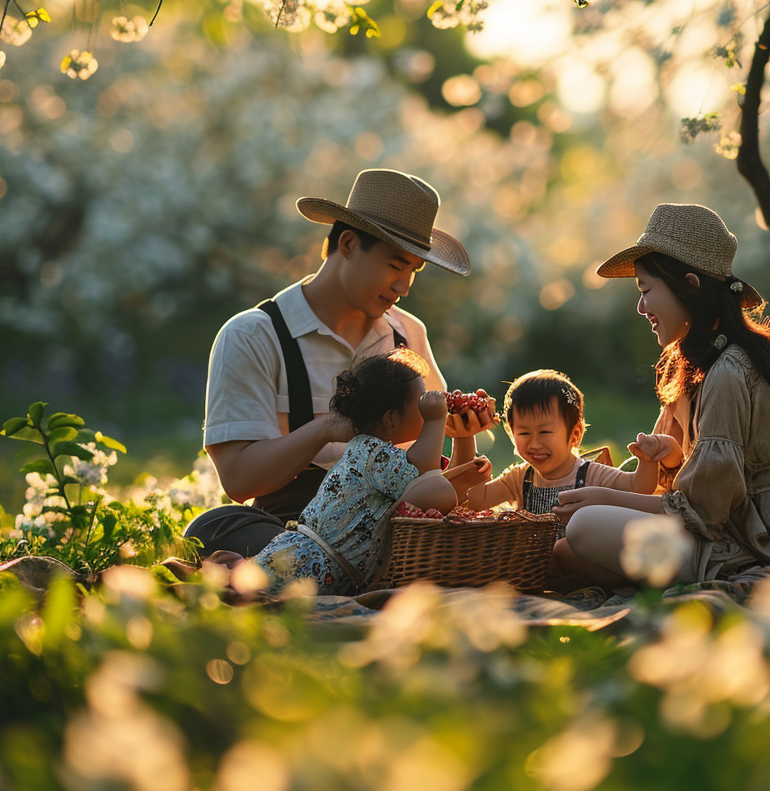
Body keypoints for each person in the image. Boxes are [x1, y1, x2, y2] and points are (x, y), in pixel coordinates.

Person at [186, 169, 495, 557]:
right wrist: (328, 429)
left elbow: (427, 473)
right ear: (347, 243)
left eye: (414, 271)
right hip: (292, 526)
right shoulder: (254, 335)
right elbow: (239, 479)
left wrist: (462, 430)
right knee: (214, 527)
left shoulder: (407, 334)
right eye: (395, 265)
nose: (404, 286)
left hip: (389, 522)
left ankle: (306, 575)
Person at [552, 203, 770, 587]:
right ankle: (656, 581)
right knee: (564, 553)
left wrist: (606, 498)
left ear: (689, 284)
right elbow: (705, 474)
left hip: (748, 539)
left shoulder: (729, 371)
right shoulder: (695, 361)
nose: (641, 307)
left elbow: (703, 509)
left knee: (586, 525)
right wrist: (672, 459)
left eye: (646, 289)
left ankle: (689, 580)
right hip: (722, 525)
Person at [254, 349, 457, 595]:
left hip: (315, 565)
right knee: (260, 603)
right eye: (421, 402)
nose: (427, 409)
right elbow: (425, 474)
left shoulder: (372, 453)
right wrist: (436, 420)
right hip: (304, 565)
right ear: (390, 419)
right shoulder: (372, 454)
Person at [457, 369, 655, 515]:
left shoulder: (590, 474)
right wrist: (465, 435)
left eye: (545, 432)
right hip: (528, 566)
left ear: (575, 434)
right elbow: (472, 500)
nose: (534, 443)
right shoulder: (520, 477)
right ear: (511, 433)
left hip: (575, 559)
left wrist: (648, 460)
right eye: (524, 433)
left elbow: (637, 487)